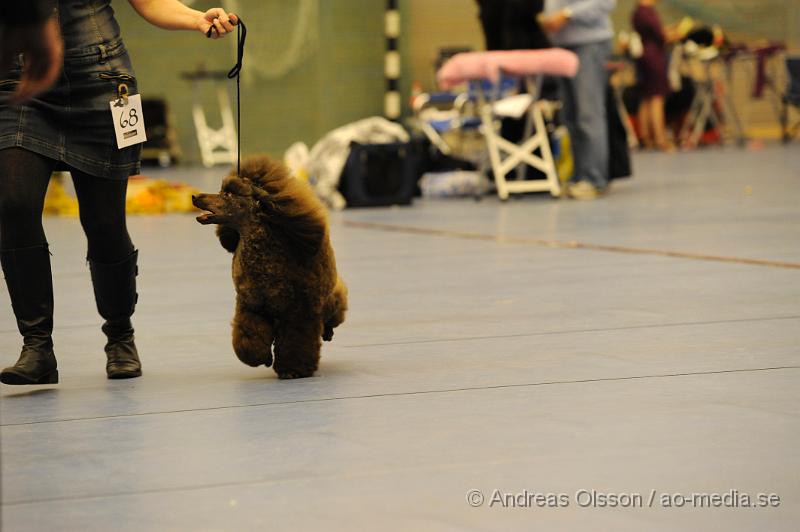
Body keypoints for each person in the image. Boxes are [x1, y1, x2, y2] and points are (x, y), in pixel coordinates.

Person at [0, 0, 238, 385]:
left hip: (104, 79)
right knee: (13, 205)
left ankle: (120, 335)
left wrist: (198, 19)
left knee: (105, 223)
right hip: (20, 83)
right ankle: (37, 346)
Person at [538, 0, 616, 200]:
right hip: (562, 45)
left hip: (589, 44)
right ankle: (578, 176)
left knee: (589, 115)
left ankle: (594, 179)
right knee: (570, 116)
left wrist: (567, 14)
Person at [632, 0, 673, 151]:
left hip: (645, 57)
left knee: (646, 97)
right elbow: (660, 35)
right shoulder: (647, 12)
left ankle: (646, 137)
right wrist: (671, 34)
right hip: (654, 58)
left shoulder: (637, 12)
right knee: (657, 98)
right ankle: (660, 139)